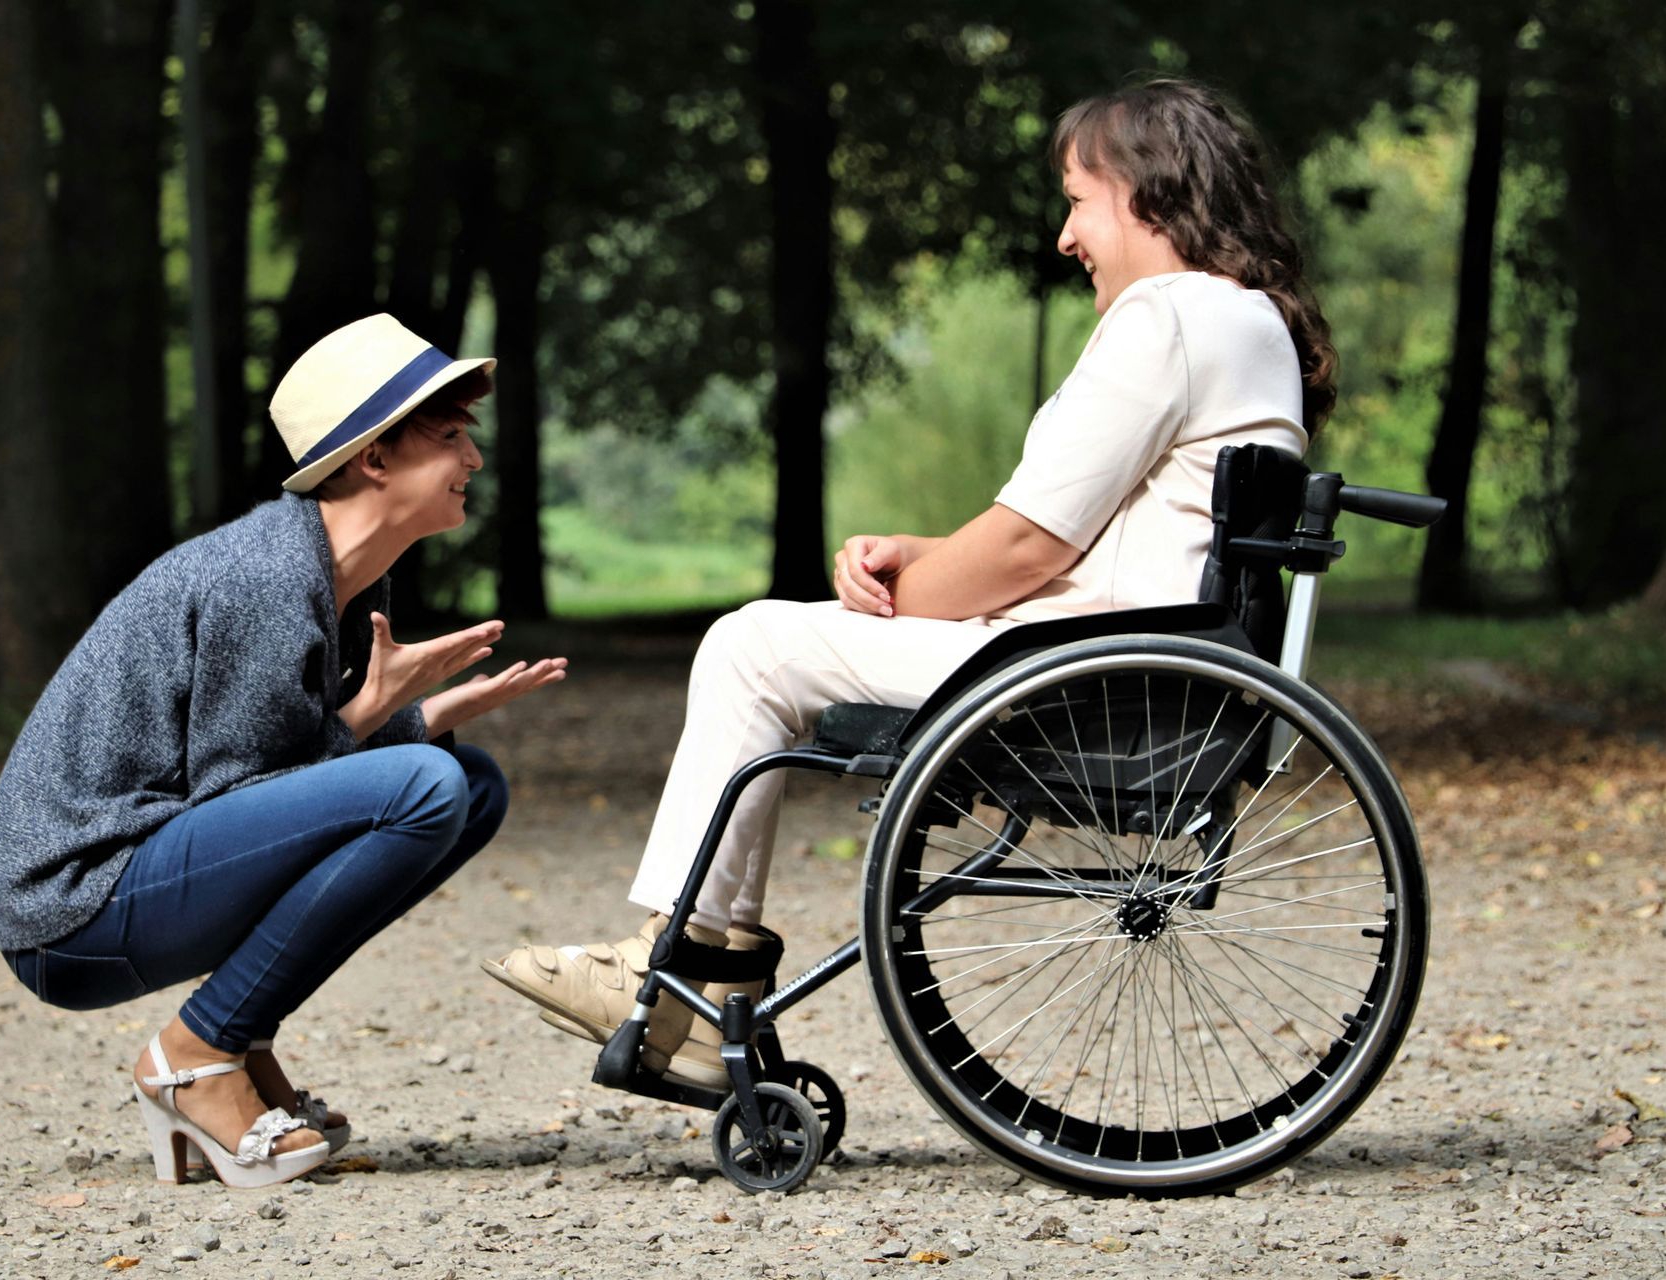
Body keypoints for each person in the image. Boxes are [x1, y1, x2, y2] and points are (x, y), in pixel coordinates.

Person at [483, 77, 1335, 1090]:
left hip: (1090, 678)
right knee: (773, 639)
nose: (1066, 238)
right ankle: (694, 975)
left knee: (753, 644)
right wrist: (918, 554)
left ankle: (688, 982)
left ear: (1147, 192)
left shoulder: (1171, 315)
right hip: (1143, 662)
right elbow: (1090, 540)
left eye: (1076, 200)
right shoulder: (1248, 324)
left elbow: (1027, 551)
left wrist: (905, 590)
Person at [0, 314, 566, 1188]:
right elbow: (245, 793)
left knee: (470, 784)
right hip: (74, 908)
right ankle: (195, 1057)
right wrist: (378, 715)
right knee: (431, 785)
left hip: (149, 871)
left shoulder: (336, 574)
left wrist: (416, 717)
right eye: (449, 436)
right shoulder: (265, 578)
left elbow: (282, 786)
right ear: (375, 459)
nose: (473, 459)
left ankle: (233, 1038)